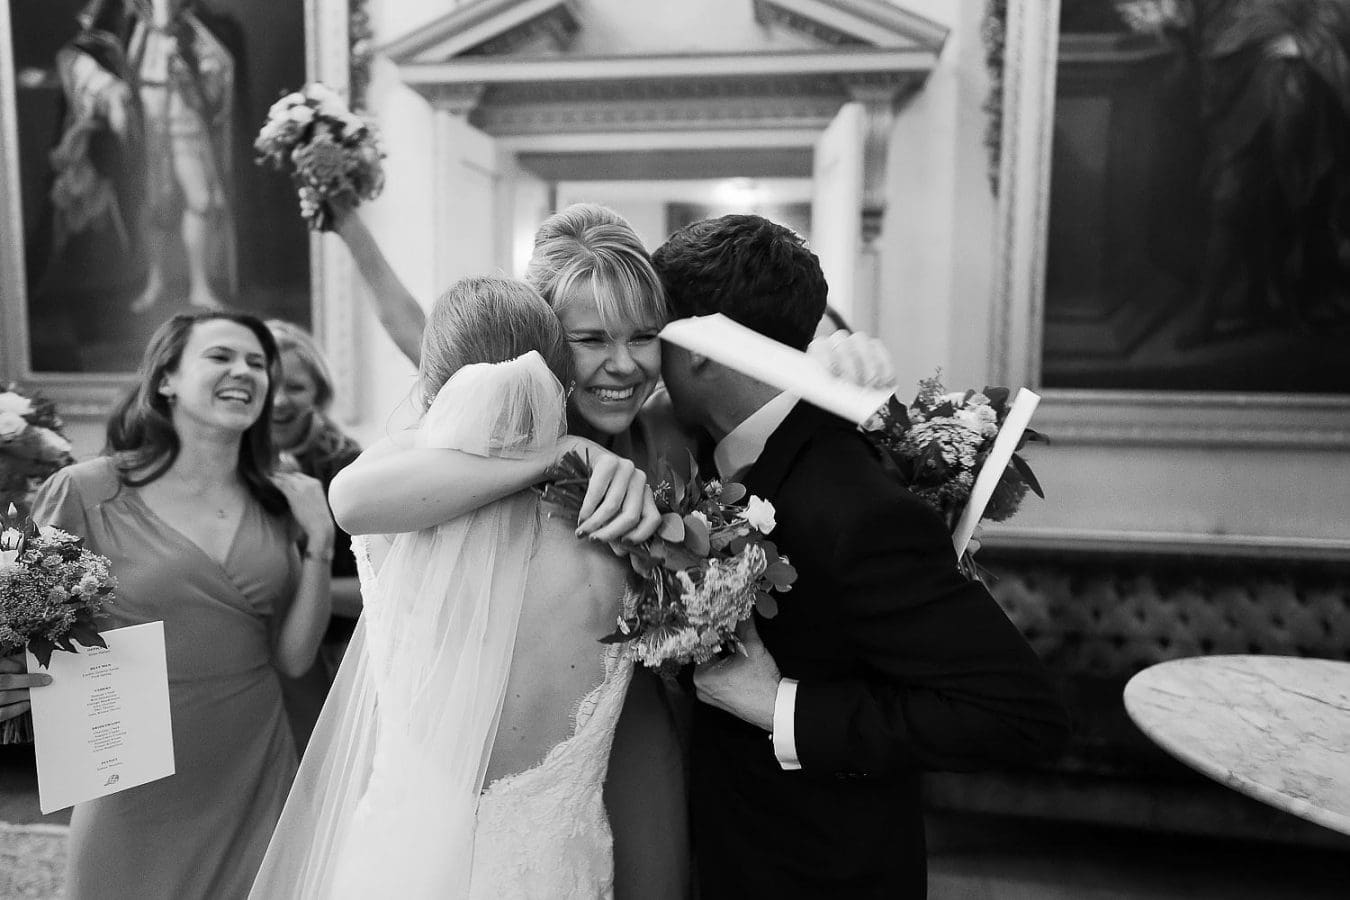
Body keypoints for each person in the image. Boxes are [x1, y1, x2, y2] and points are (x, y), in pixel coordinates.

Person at [650, 214, 1070, 898]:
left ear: (699, 349)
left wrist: (782, 708)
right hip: (726, 848)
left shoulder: (853, 503)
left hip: (819, 872)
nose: (644, 361)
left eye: (653, 334)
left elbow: (1022, 716)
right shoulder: (718, 448)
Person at [251, 276, 641, 897]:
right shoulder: (622, 535)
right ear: (562, 388)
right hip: (552, 870)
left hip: (396, 865)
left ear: (431, 392)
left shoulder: (387, 518)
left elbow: (353, 491)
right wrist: (563, 446)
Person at [31, 310, 335, 900]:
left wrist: (319, 544)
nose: (244, 372)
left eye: (257, 363)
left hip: (251, 753)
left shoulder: (281, 494)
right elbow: (19, 635)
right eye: (221, 356)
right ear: (166, 378)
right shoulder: (85, 490)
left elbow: (294, 659)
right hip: (129, 768)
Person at [266, 319, 363, 753]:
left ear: (319, 392)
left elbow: (373, 589)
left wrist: (292, 589)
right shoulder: (227, 459)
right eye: (268, 387)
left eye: (296, 387)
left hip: (333, 652)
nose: (280, 401)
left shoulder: (348, 466)